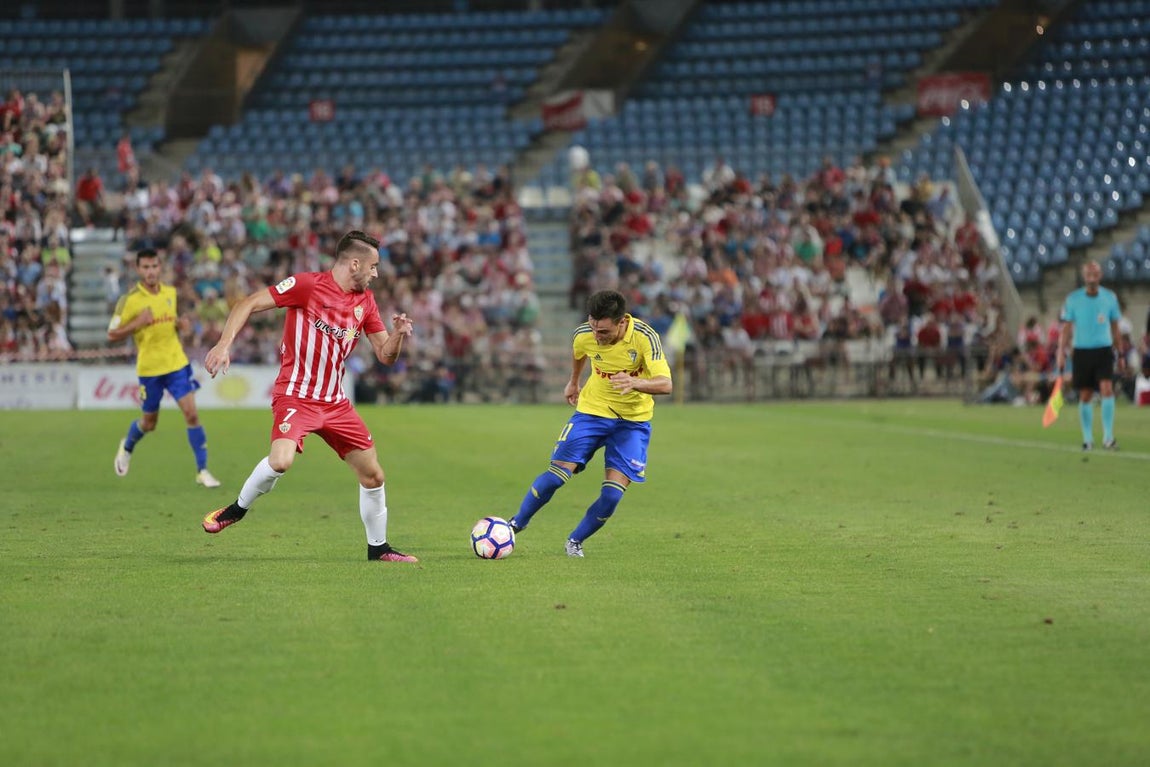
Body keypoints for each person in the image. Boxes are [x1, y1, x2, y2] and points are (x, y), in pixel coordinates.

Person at [201, 230, 418, 563]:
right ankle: (236, 510)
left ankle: (379, 549)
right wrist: (223, 343)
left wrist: (399, 335)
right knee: (281, 461)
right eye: (373, 266)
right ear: (355, 263)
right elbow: (248, 303)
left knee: (373, 475)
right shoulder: (307, 285)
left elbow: (385, 355)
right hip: (296, 396)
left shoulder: (366, 303)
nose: (376, 274)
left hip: (335, 403)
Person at [508, 289, 672, 557]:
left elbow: (666, 384)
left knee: (612, 495)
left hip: (632, 422)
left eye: (604, 332)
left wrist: (635, 382)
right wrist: (574, 381)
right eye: (594, 328)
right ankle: (516, 524)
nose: (597, 336)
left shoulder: (645, 337)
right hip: (592, 412)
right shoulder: (584, 333)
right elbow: (579, 351)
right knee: (557, 474)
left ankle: (575, 541)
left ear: (621, 322)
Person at [108, 248, 220, 487]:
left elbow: (171, 324)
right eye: (145, 267)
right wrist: (137, 323)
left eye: (154, 266)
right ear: (138, 269)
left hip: (176, 363)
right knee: (149, 423)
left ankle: (202, 470)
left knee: (191, 414)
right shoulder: (128, 301)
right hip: (149, 369)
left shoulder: (170, 293)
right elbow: (112, 333)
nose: (150, 271)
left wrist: (181, 325)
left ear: (160, 268)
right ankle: (127, 446)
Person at [1055, 260, 1123, 450]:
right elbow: (1066, 329)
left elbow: (1115, 327)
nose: (1092, 276)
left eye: (1095, 273)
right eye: (1088, 273)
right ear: (1084, 276)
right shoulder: (1073, 299)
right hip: (1082, 351)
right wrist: (1061, 352)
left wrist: (1121, 352)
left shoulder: (1110, 298)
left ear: (1100, 275)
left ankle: (1108, 437)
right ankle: (1088, 439)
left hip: (1103, 350)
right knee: (1085, 394)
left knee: (1107, 389)